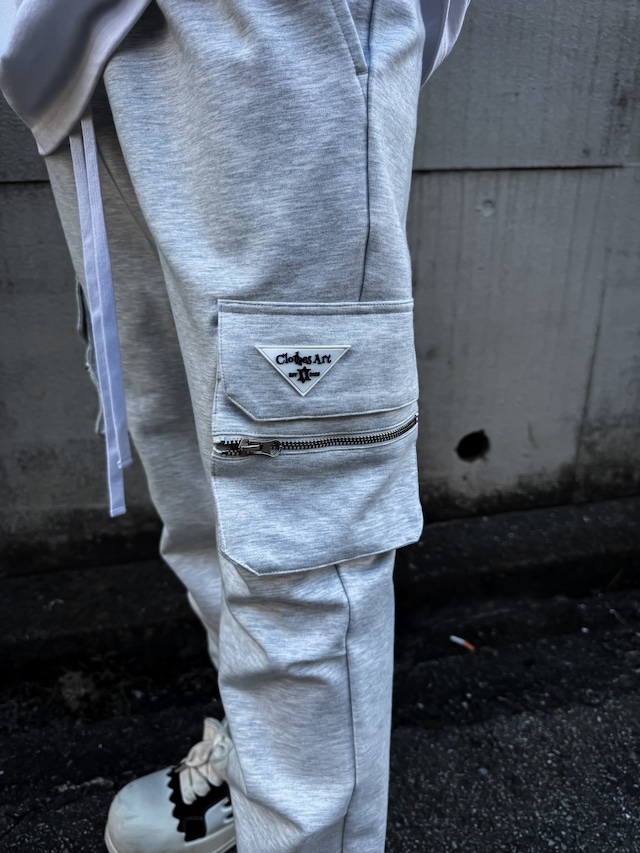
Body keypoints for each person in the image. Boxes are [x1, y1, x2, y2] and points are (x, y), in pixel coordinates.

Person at [0, 1, 470, 851]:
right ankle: (262, 772)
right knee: (197, 481)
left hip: (273, 31)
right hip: (75, 53)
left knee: (297, 537)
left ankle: (305, 829)